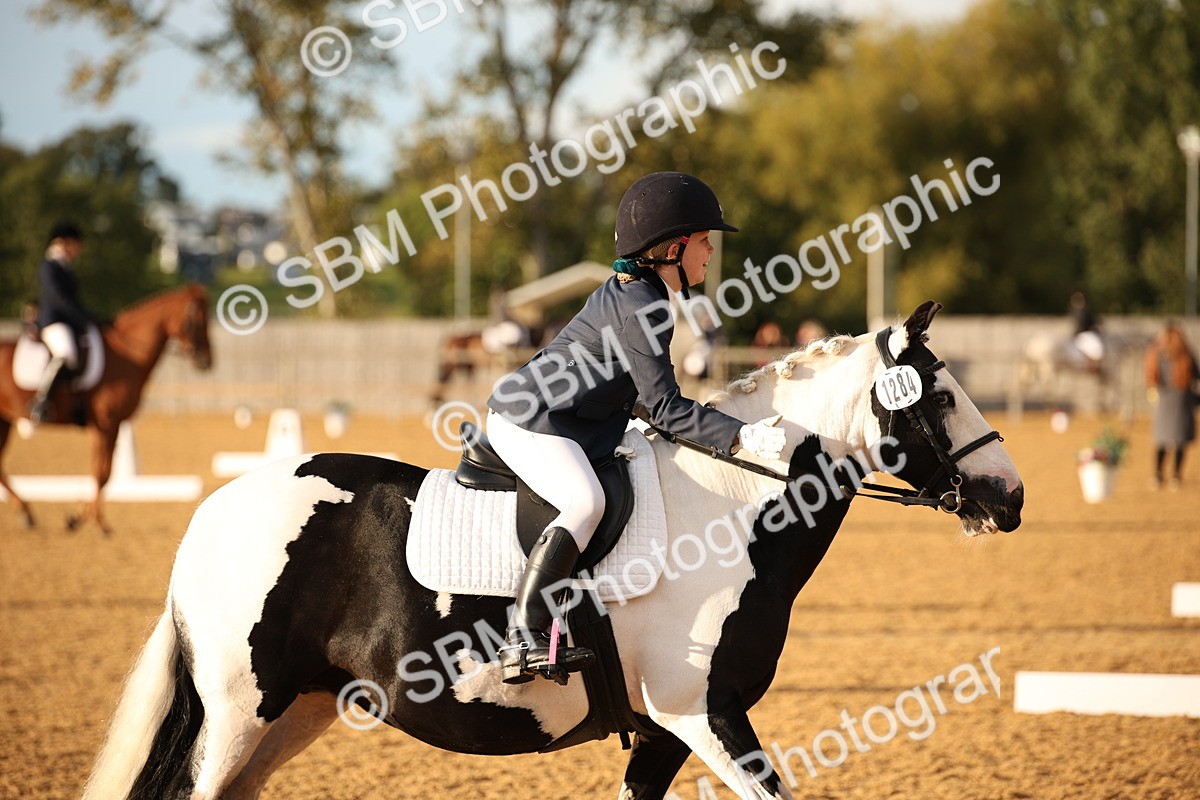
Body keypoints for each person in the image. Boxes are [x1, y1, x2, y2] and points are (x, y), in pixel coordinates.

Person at [485, 172, 786, 684]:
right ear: (674, 248)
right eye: (705, 241)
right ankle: (523, 636)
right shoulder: (644, 304)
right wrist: (740, 436)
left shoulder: (639, 292)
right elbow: (664, 406)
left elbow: (641, 399)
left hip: (572, 418)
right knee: (586, 502)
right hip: (531, 419)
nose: (710, 252)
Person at [30, 222, 96, 425]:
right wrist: (82, 316)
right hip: (53, 322)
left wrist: (91, 317)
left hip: (70, 322)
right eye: (76, 244)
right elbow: (59, 299)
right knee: (66, 352)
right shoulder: (48, 266)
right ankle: (40, 402)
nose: (78, 250)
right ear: (64, 243)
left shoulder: (65, 268)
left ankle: (76, 402)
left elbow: (74, 299)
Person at [1145, 323, 1198, 489]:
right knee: (1180, 440)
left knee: (1162, 439)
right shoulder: (1185, 355)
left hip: (1165, 400)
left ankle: (1157, 475)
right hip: (1182, 399)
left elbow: (1151, 376)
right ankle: (1176, 476)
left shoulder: (1157, 354)